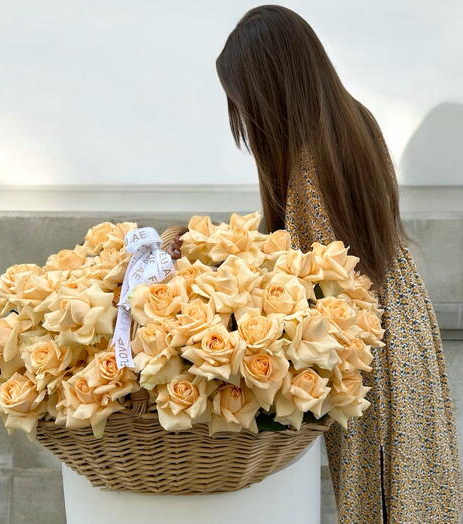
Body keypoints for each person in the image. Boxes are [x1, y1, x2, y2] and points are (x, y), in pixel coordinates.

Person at [216, 5, 462, 523]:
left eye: (245, 99)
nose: (243, 115)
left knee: (380, 501)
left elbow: (325, 286)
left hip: (370, 343)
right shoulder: (351, 122)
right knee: (418, 493)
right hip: (403, 322)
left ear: (270, 85)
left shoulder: (310, 162)